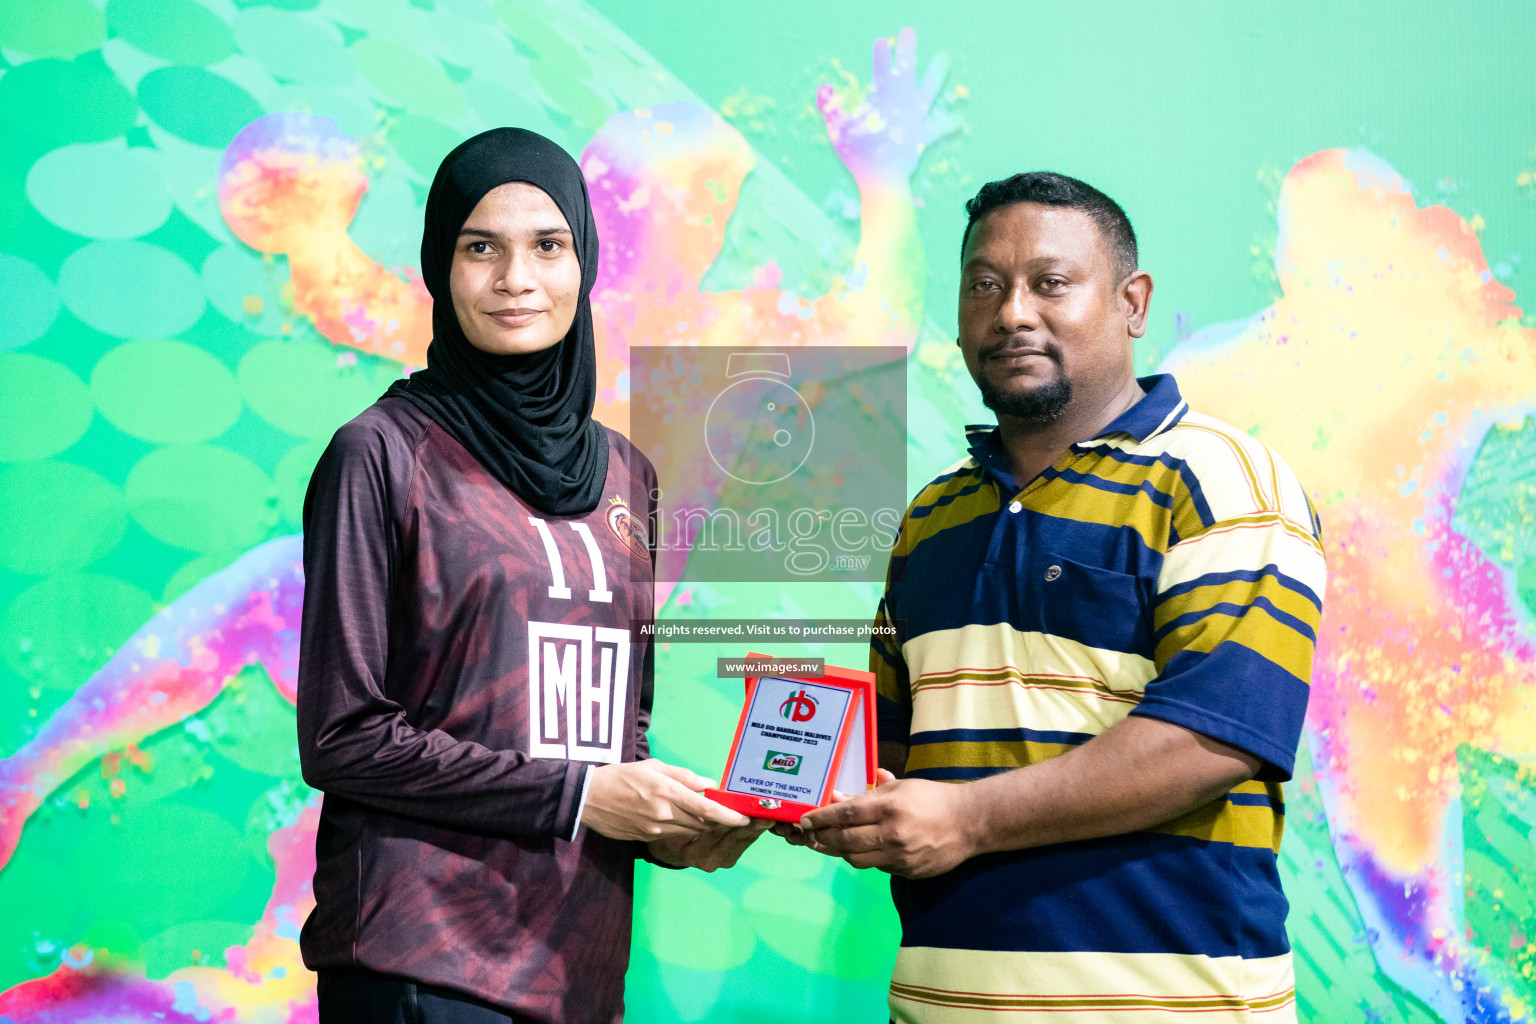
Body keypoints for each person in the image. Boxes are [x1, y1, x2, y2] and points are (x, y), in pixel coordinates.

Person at [789, 172, 1326, 1022]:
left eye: (1051, 283)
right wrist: (762, 806)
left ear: (1133, 302)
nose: (1011, 314)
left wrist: (965, 819)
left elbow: (1209, 742)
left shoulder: (1226, 480)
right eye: (984, 286)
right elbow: (891, 766)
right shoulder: (931, 518)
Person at [295, 127, 764, 1024]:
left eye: (547, 246)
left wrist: (672, 822)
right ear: (440, 269)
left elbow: (614, 725)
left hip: (576, 965)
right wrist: (586, 795)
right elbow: (344, 736)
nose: (517, 278)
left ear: (584, 263)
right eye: (482, 248)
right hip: (422, 962)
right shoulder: (381, 455)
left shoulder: (629, 474)